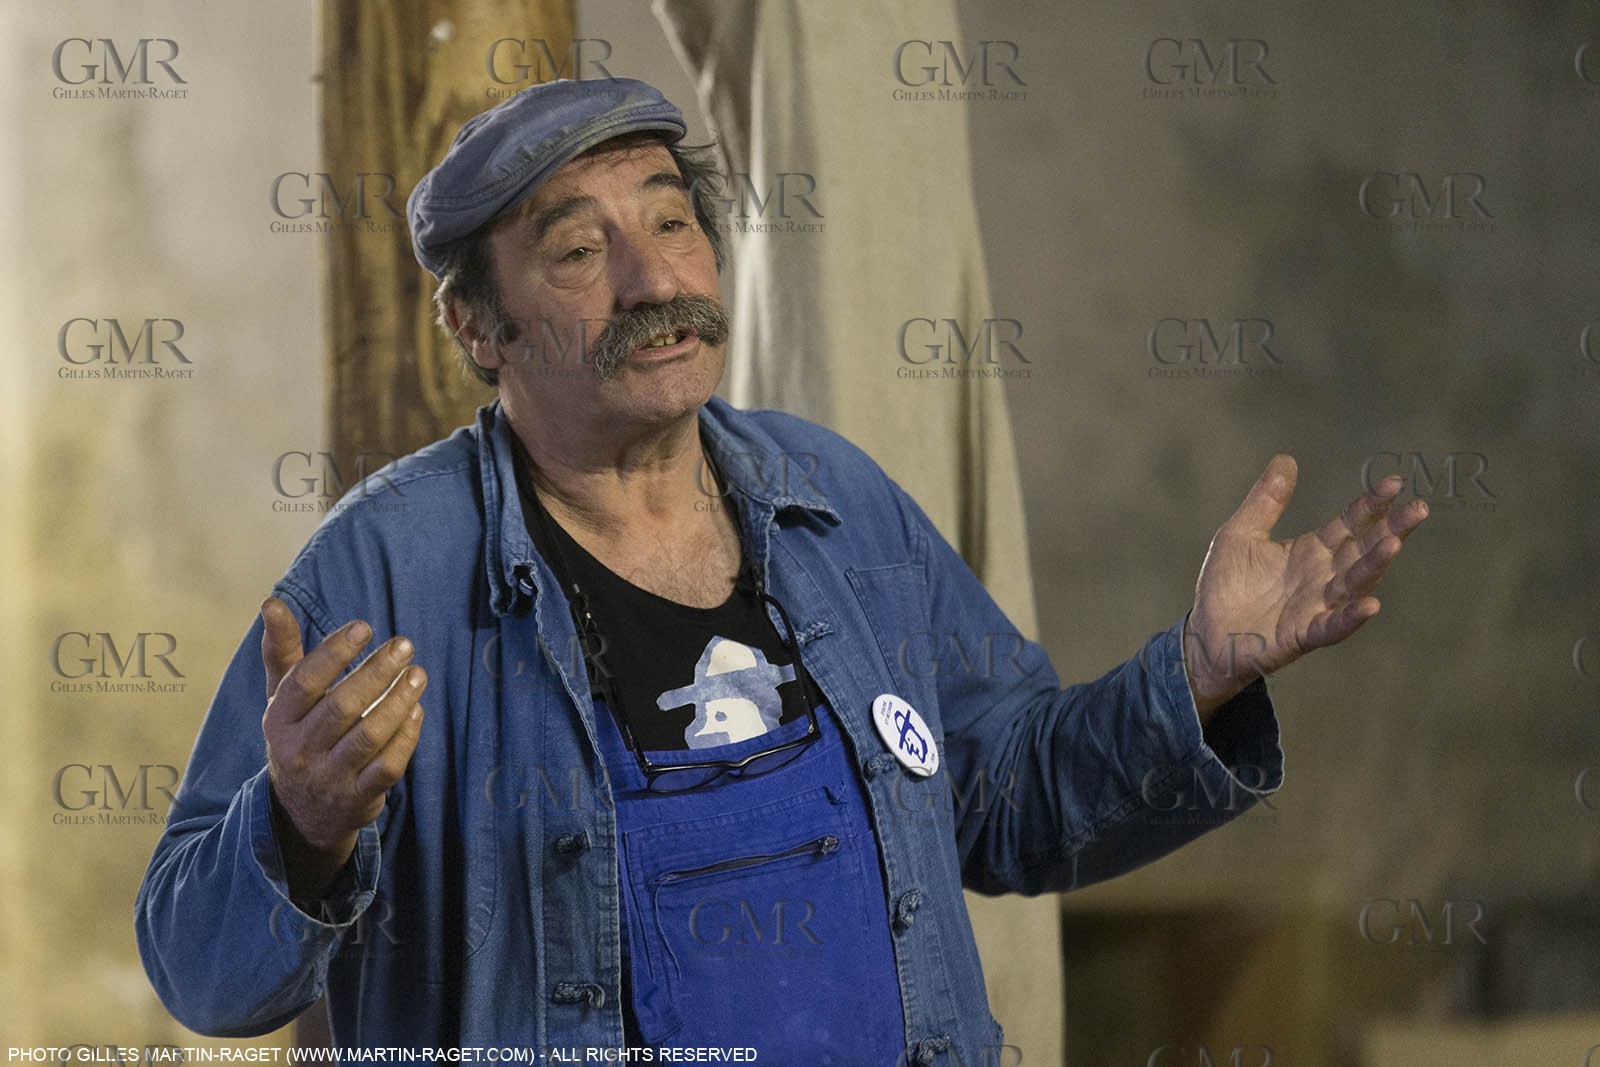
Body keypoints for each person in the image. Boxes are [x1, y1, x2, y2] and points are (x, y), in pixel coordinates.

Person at [135, 78, 1426, 1063]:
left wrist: (1194, 679)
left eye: (674, 222)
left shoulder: (832, 504)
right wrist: (298, 833)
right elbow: (197, 965)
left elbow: (1007, 797)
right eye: (580, 251)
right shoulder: (388, 567)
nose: (657, 278)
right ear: (480, 323)